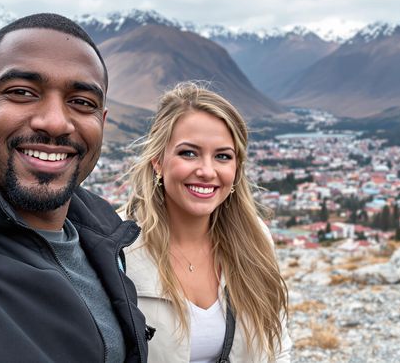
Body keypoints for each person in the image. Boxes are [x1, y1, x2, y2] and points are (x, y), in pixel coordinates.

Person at [0, 13, 148, 362]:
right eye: (22, 93)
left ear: (101, 120)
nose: (54, 122)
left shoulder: (103, 240)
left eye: (82, 102)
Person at [122, 82, 291, 363]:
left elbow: (277, 348)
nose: (207, 171)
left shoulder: (255, 238)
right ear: (158, 161)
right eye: (188, 153)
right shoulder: (118, 245)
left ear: (236, 169)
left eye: (223, 156)